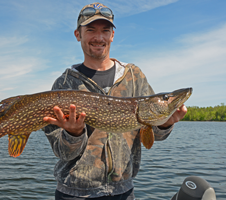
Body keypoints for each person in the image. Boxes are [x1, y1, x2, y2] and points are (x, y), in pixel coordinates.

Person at [43, 2, 187, 200]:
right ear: (78, 35)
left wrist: (166, 123)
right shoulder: (64, 83)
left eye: (105, 30)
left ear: (112, 35)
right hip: (74, 193)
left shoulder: (134, 76)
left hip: (123, 192)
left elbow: (153, 135)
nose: (99, 37)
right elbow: (63, 152)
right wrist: (73, 133)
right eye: (91, 30)